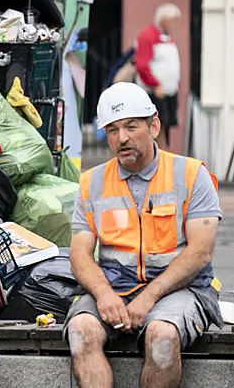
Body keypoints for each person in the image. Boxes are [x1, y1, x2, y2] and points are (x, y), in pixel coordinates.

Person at [65, 82, 222, 388]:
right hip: (114, 288)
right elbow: (79, 254)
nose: (121, 138)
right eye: (112, 130)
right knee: (80, 330)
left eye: (131, 126)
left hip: (180, 289)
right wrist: (104, 294)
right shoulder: (91, 183)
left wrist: (149, 296)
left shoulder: (190, 174)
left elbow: (200, 252)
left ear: (154, 125)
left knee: (161, 337)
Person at [134, 3, 182, 148]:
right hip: (155, 92)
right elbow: (142, 65)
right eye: (173, 20)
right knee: (157, 127)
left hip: (168, 92)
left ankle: (163, 154)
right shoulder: (148, 36)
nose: (175, 24)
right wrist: (155, 84)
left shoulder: (166, 38)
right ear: (163, 19)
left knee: (166, 126)